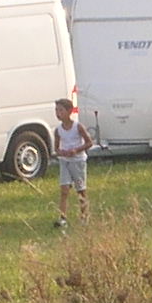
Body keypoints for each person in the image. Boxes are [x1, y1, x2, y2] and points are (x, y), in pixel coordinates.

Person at [53, 96, 93, 228]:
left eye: (61, 110)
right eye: (56, 110)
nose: (58, 114)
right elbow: (56, 148)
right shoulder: (58, 130)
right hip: (65, 161)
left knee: (80, 190)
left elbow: (89, 142)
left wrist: (76, 150)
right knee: (64, 190)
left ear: (69, 111)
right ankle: (62, 217)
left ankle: (84, 216)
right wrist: (62, 152)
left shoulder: (78, 127)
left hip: (77, 161)